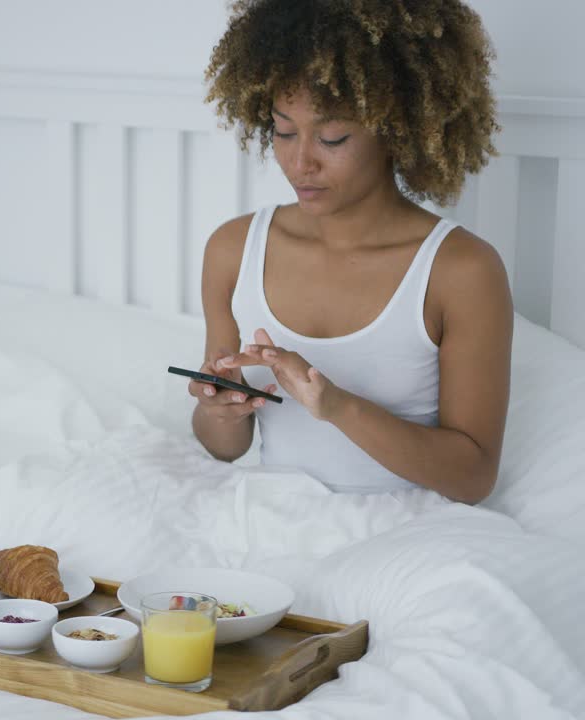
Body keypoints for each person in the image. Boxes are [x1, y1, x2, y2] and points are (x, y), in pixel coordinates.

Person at [190, 0, 512, 504]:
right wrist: (220, 410)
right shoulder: (233, 250)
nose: (300, 162)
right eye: (284, 130)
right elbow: (225, 451)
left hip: (408, 543)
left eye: (332, 136)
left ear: (396, 128)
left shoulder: (461, 270)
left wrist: (338, 406)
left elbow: (472, 477)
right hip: (272, 526)